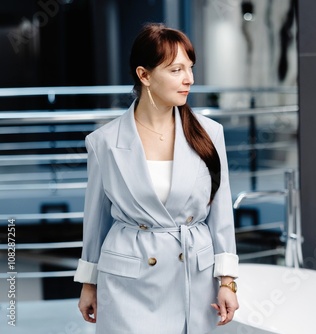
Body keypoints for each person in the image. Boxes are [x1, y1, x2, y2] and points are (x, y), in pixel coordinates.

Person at [74, 22, 239, 334]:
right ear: (144, 75)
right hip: (128, 282)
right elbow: (95, 219)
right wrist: (88, 283)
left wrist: (228, 280)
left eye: (190, 68)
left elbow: (221, 213)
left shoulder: (210, 133)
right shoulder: (104, 141)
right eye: (176, 70)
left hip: (192, 275)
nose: (188, 79)